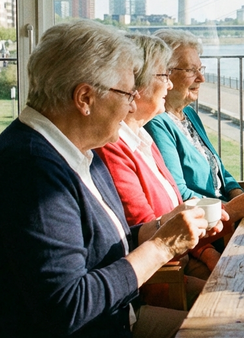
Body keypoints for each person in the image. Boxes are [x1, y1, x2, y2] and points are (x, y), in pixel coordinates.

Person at [0, 20, 225, 338]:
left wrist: (160, 228)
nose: (131, 103)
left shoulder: (78, 150)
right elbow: (68, 307)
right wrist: (162, 246)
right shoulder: (30, 171)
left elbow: (100, 243)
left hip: (122, 321)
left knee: (233, 327)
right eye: (126, 93)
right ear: (85, 98)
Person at [95, 34, 221, 303]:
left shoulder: (142, 136)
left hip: (187, 259)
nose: (169, 83)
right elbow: (150, 232)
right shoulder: (114, 146)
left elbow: (174, 214)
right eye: (164, 75)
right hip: (164, 280)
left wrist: (206, 252)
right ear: (136, 87)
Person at [145, 29, 244, 223]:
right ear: (165, 74)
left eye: (200, 69)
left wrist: (242, 197)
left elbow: (220, 170)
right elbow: (179, 195)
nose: (201, 78)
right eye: (190, 70)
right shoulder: (158, 124)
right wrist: (232, 210)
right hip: (210, 228)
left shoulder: (188, 114)